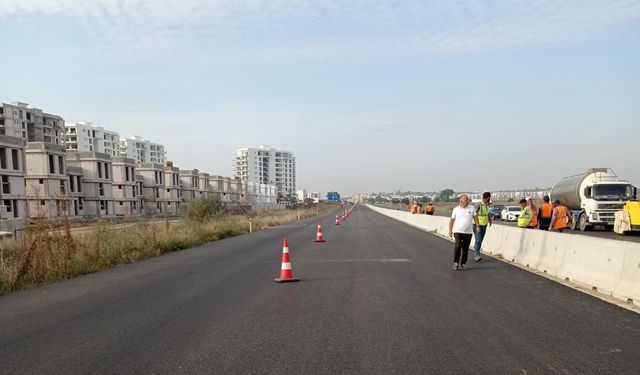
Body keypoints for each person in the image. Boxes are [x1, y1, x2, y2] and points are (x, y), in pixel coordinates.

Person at [449, 195, 480, 271]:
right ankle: (456, 263)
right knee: (458, 245)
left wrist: (478, 226)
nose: (467, 201)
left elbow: (475, 217)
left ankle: (463, 264)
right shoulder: (456, 209)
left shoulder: (472, 208)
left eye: (468, 200)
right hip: (458, 231)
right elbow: (452, 220)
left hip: (468, 232)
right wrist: (450, 230)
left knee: (465, 248)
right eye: (466, 200)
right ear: (461, 201)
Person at [473, 192, 492, 262]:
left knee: (480, 241)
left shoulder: (487, 205)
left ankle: (476, 250)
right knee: (478, 240)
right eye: (490, 197)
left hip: (484, 225)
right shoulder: (479, 204)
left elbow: (488, 213)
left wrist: (490, 220)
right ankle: (476, 255)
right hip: (477, 225)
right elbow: (474, 214)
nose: (490, 199)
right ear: (487, 197)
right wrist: (477, 224)